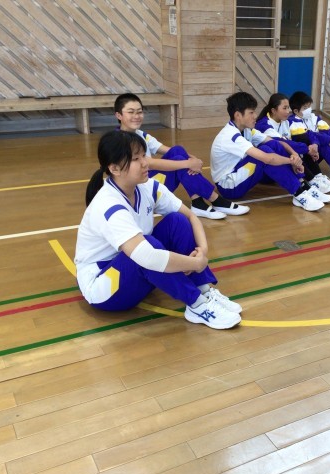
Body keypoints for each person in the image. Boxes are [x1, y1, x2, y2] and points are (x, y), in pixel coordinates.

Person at [74, 130, 241, 330]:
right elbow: (147, 256)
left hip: (135, 266)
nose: (145, 163)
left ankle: (204, 290)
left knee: (177, 221)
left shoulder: (147, 187)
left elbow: (191, 216)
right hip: (104, 286)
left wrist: (202, 252)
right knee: (148, 248)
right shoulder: (108, 205)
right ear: (115, 168)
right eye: (136, 159)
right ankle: (197, 304)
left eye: (143, 155)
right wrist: (195, 263)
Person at [114, 93, 249, 220]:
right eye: (131, 112)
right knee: (180, 162)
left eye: (139, 112)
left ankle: (198, 202)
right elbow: (150, 163)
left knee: (178, 151)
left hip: (149, 180)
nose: (136, 116)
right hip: (140, 189)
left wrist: (192, 159)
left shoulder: (140, 134)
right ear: (119, 115)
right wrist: (188, 164)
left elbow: (168, 150)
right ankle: (215, 199)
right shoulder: (120, 141)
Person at [210, 91, 330, 212]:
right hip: (229, 187)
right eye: (251, 112)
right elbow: (268, 158)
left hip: (242, 172)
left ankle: (303, 185)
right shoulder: (231, 136)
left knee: (272, 145)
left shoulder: (247, 130)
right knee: (264, 153)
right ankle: (299, 193)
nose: (255, 116)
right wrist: (292, 161)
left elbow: (277, 142)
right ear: (238, 115)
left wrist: (294, 155)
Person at [255, 93, 330, 194]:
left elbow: (308, 133)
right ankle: (311, 180)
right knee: (284, 148)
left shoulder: (287, 121)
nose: (288, 111)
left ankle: (317, 176)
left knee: (303, 138)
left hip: (286, 163)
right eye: (284, 108)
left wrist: (314, 144)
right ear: (273, 110)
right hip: (268, 170)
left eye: (288, 108)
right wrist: (307, 149)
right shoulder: (263, 125)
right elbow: (283, 143)